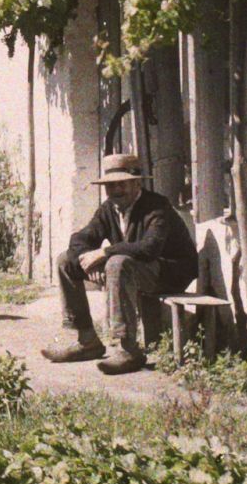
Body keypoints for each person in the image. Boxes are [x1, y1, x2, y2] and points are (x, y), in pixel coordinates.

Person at [41, 151, 199, 374]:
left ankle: (129, 350)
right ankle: (87, 340)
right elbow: (80, 239)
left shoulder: (157, 206)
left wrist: (104, 253)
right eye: (110, 186)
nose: (116, 191)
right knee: (65, 261)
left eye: (122, 185)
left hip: (170, 273)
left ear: (136, 183)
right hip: (133, 268)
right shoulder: (110, 208)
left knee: (116, 263)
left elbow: (149, 249)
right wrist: (92, 262)